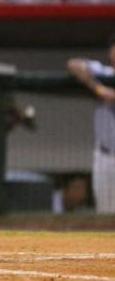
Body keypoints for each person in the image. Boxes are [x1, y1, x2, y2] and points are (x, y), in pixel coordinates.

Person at [67, 36, 115, 214]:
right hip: (105, 156)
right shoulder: (104, 73)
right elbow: (73, 64)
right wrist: (98, 88)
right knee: (105, 213)